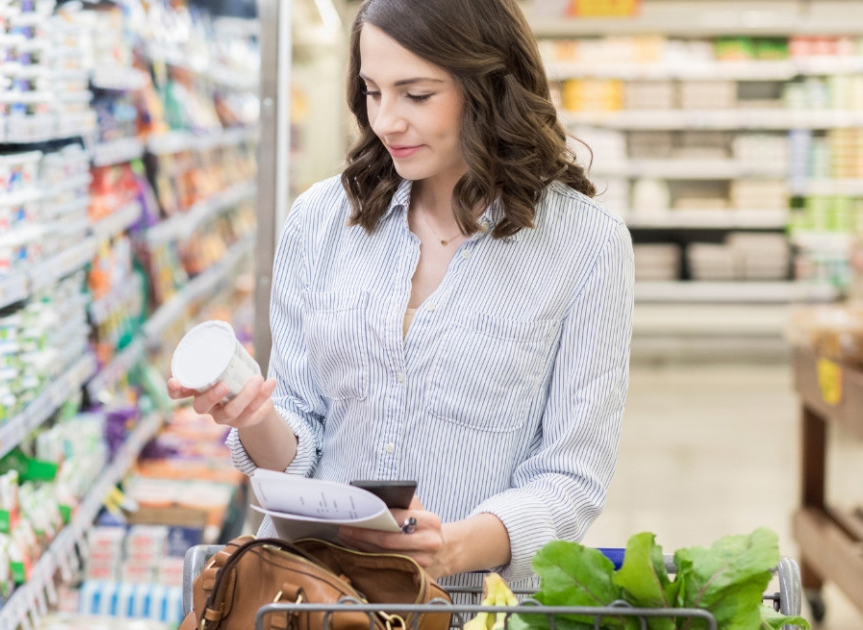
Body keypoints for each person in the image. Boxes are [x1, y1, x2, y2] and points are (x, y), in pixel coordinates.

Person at [167, 0, 634, 582]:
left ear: (489, 87)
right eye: (372, 91)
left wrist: (458, 547)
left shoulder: (586, 245)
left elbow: (573, 476)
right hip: (316, 597)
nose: (386, 120)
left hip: (470, 605)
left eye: (416, 95)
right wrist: (253, 417)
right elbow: (300, 436)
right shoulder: (320, 220)